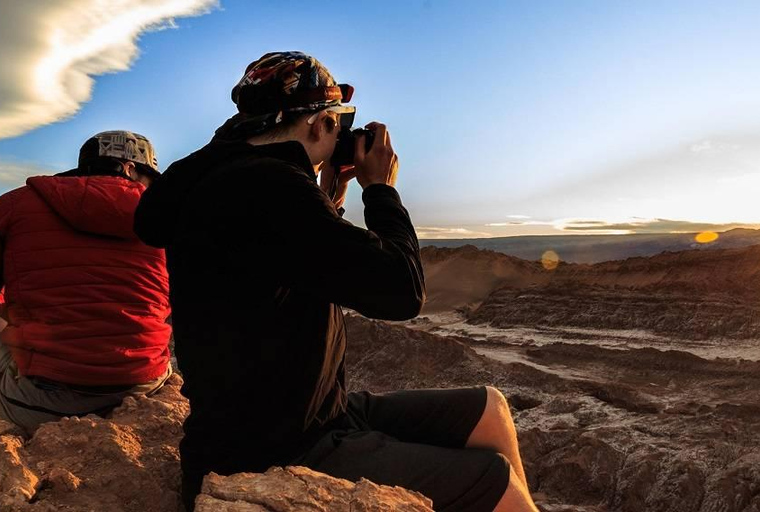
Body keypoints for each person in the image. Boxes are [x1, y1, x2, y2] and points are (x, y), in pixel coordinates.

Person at [134, 51, 538, 512]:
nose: (342, 134)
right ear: (317, 124)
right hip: (278, 448)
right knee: (495, 480)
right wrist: (381, 190)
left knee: (489, 407)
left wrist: (327, 196)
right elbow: (401, 291)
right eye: (338, 122)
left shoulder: (234, 180)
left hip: (315, 414)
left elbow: (290, 257)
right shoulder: (269, 187)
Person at [0, 130, 173, 436]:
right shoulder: (168, 216)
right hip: (145, 388)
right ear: (129, 168)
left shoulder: (16, 205)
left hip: (37, 405)